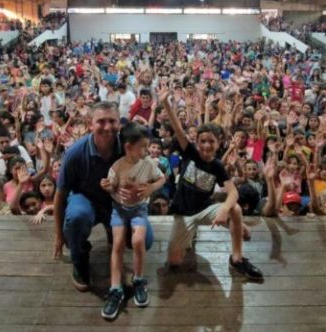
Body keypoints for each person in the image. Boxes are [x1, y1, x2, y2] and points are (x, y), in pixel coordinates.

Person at [158, 83, 263, 281]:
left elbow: (233, 192)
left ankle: (237, 258)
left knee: (235, 209)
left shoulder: (217, 166)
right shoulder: (190, 152)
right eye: (202, 141)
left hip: (204, 209)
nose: (206, 145)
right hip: (183, 214)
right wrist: (166, 102)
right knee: (174, 262)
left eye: (211, 141)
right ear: (197, 142)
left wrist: (224, 210)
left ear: (219, 143)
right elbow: (178, 128)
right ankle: (203, 232)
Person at [53, 101, 155, 292]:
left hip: (117, 203)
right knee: (76, 216)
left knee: (145, 239)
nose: (107, 127)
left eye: (112, 121)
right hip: (85, 199)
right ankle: (80, 260)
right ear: (90, 123)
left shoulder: (129, 148)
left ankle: (112, 230)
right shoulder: (75, 153)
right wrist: (59, 234)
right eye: (101, 121)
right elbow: (60, 195)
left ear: (120, 123)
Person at [99, 123, 165, 320]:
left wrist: (151, 189)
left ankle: (138, 279)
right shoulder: (117, 166)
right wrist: (107, 186)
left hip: (139, 210)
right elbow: (112, 188)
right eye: (143, 146)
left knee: (138, 241)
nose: (147, 150)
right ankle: (116, 287)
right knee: (117, 243)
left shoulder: (149, 164)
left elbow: (162, 179)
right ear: (128, 147)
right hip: (119, 210)